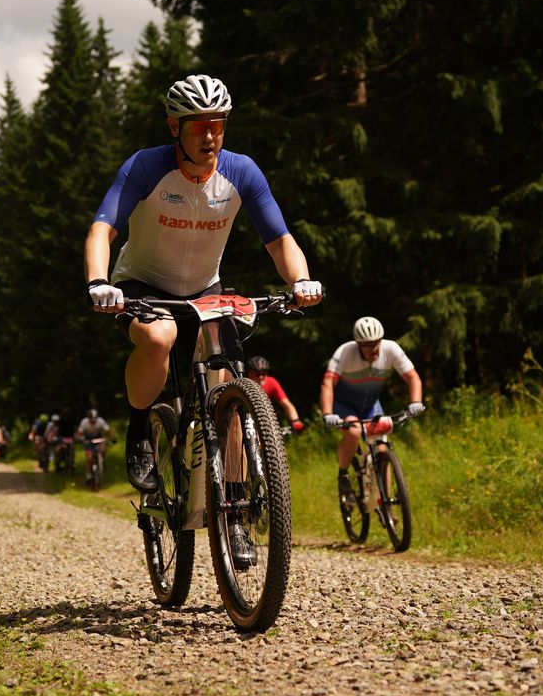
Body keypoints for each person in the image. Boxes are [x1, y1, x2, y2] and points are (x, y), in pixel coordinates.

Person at [84, 74, 323, 567]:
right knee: (159, 335)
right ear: (176, 127)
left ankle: (233, 516)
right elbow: (102, 228)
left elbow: (279, 239)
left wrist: (300, 280)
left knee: (231, 382)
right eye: (198, 127)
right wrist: (97, 283)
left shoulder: (242, 172)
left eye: (218, 125)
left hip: (205, 289)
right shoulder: (147, 167)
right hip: (141, 284)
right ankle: (140, 430)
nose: (210, 136)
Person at [319, 317, 425, 503]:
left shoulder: (391, 349)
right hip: (343, 405)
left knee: (382, 447)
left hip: (370, 406)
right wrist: (328, 413)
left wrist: (415, 402)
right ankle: (343, 475)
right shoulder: (345, 352)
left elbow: (413, 378)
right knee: (354, 431)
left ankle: (385, 501)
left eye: (375, 343)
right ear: (358, 344)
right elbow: (328, 383)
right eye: (366, 345)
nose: (372, 348)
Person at [246, 356, 304, 434]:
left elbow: (286, 404)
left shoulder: (271, 382)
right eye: (257, 374)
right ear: (249, 373)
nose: (261, 377)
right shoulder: (244, 384)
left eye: (263, 373)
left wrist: (295, 421)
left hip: (263, 418)